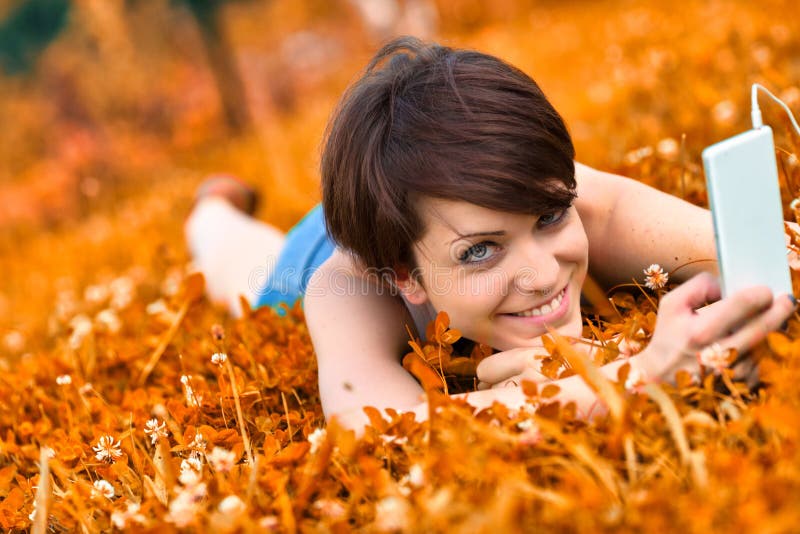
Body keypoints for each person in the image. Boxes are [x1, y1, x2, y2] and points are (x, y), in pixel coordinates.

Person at [186, 36, 796, 431]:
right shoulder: (347, 288)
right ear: (406, 275)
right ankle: (213, 203)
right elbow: (382, 432)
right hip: (310, 251)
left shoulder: (579, 194)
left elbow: (783, 256)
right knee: (231, 253)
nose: (543, 273)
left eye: (550, 218)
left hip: (421, 196)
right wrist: (635, 378)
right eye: (481, 252)